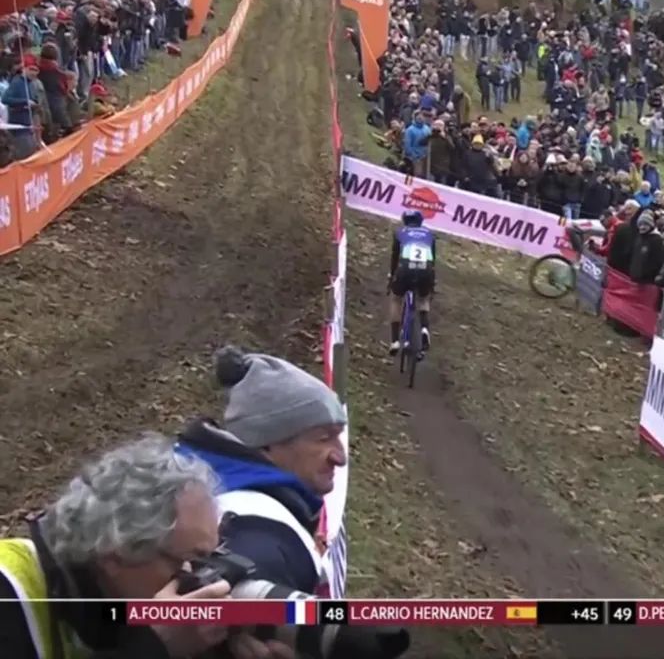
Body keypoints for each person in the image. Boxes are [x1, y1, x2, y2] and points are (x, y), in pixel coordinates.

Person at [0, 436, 290, 658]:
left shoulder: (113, 602)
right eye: (189, 561)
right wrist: (155, 646)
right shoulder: (10, 591)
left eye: (210, 558)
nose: (199, 579)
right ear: (115, 553)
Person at [176, 345, 347, 597]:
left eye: (338, 436)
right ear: (265, 443)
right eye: (323, 438)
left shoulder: (206, 490)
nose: (340, 457)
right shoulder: (256, 533)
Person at [387, 209, 437, 355]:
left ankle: (395, 341)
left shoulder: (400, 233)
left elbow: (395, 258)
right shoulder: (429, 234)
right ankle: (424, 328)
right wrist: (432, 284)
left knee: (396, 299)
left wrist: (391, 277)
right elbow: (433, 260)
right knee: (424, 298)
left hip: (405, 268)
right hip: (426, 269)